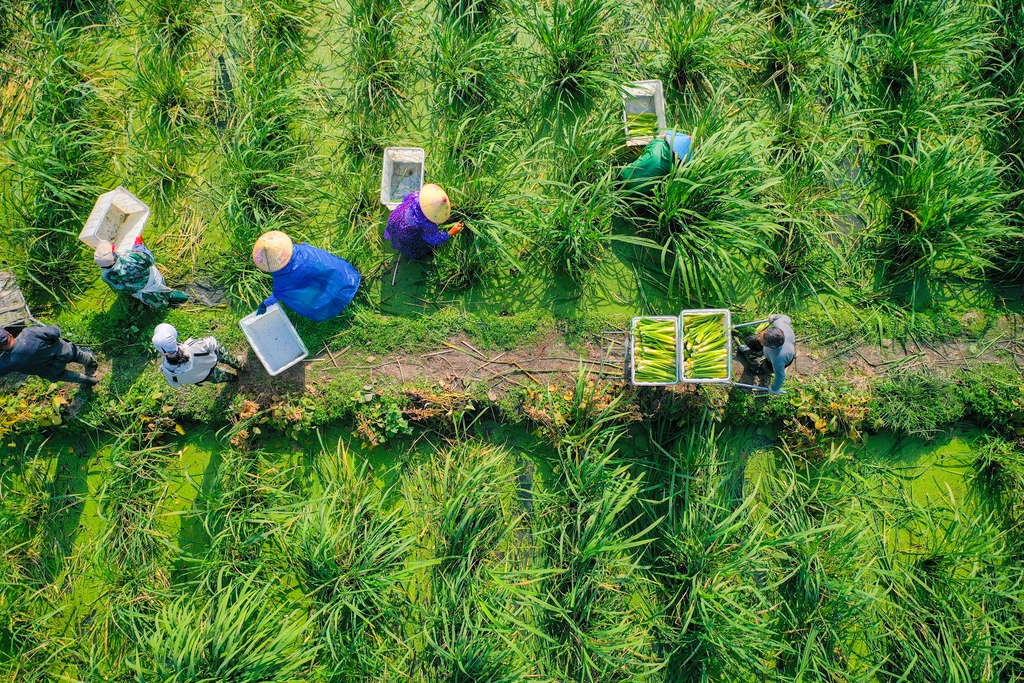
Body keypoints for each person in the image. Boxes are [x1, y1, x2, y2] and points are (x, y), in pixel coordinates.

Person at [252, 231, 361, 321]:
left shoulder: (281, 278)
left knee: (307, 295)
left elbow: (278, 293)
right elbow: (308, 246)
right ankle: (341, 290)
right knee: (327, 280)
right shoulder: (302, 250)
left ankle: (331, 302)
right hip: (339, 274)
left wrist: (265, 304)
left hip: (314, 286)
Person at [94, 238, 189, 309]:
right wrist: (138, 246)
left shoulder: (105, 276)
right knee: (165, 291)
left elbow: (120, 286)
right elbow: (149, 258)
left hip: (141, 291)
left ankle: (165, 306)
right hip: (153, 279)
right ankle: (182, 298)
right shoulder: (131, 258)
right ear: (114, 255)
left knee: (155, 301)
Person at [384, 183, 464, 260]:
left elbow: (404, 199)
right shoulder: (426, 225)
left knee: (399, 237)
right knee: (416, 246)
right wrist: (450, 233)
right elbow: (434, 239)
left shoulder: (415, 196)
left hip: (393, 221)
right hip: (406, 238)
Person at [0, 326, 98, 386]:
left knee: (67, 376)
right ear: (9, 334)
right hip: (63, 353)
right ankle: (91, 363)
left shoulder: (6, 362)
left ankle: (89, 381)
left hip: (51, 371)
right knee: (77, 354)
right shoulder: (28, 333)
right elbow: (55, 331)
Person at [152, 323, 243, 387]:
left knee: (220, 376)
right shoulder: (193, 345)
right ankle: (239, 365)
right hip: (210, 361)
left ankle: (234, 378)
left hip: (203, 376)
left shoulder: (165, 368)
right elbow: (212, 342)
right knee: (219, 350)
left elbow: (176, 384)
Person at [619, 129, 694, 195]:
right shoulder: (674, 166)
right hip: (638, 192)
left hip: (624, 175)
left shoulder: (657, 142)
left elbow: (644, 152)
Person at [738, 314, 796, 394]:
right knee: (752, 340)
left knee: (767, 367)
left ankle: (761, 369)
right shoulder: (780, 324)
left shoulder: (777, 360)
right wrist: (775, 317)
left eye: (762, 341)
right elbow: (786, 318)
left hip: (775, 360)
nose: (759, 338)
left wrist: (774, 389)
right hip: (769, 348)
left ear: (770, 346)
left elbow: (780, 377)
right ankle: (754, 351)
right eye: (761, 335)